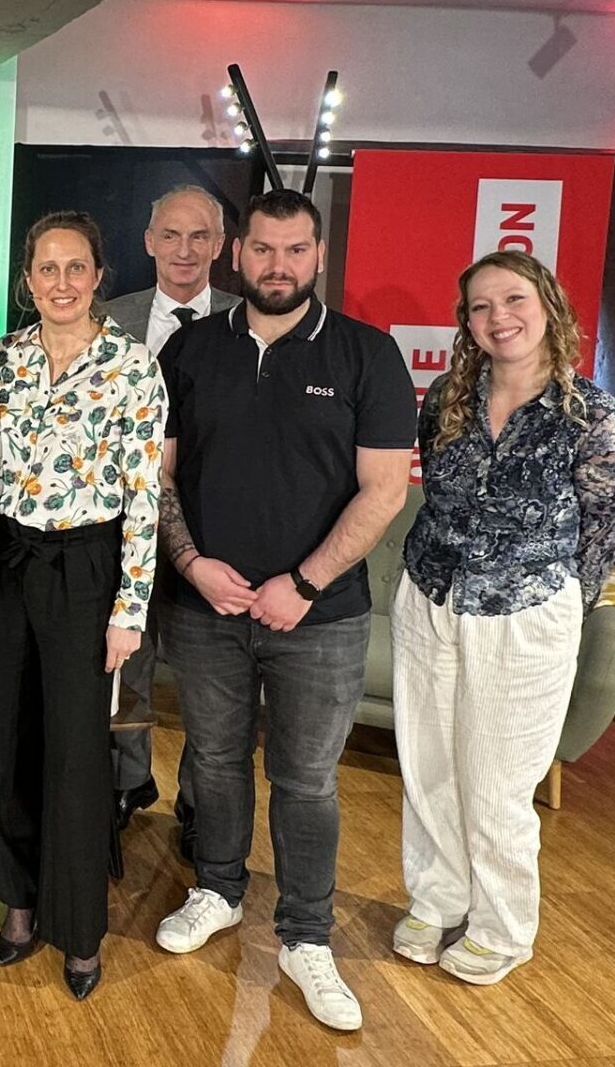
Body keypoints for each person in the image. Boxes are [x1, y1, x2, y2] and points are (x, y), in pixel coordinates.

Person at [152, 188, 413, 1032]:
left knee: (305, 781)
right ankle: (218, 890)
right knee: (214, 761)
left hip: (321, 617)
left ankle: (306, 936)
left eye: (295, 250)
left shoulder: (368, 354)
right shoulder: (191, 349)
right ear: (237, 255)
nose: (277, 265)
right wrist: (192, 564)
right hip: (207, 609)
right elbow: (159, 475)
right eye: (262, 249)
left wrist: (301, 584)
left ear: (319, 256)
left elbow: (383, 491)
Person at [392, 250, 615, 985]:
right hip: (430, 596)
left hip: (525, 614)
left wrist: (559, 613)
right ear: (466, 323)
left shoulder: (596, 418)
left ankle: (501, 926)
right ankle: (436, 899)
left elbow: (599, 536)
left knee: (498, 782)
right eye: (480, 307)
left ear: (548, 307)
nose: (498, 317)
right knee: (428, 767)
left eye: (513, 300)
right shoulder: (446, 400)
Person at [0, 210, 165, 1001]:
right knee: (1, 735)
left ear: (98, 275)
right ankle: (17, 901)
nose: (61, 282)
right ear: (28, 280)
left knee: (76, 752)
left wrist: (130, 608)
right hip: (2, 563)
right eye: (46, 268)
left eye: (75, 266)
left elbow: (145, 494)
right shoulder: (1, 358)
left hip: (85, 569)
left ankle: (78, 928)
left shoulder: (133, 366)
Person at [98, 184, 240, 844]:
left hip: (210, 536)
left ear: (220, 246)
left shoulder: (249, 322)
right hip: (114, 532)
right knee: (124, 667)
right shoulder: (104, 319)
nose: (185, 250)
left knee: (208, 683)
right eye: (171, 235)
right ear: (149, 242)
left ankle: (197, 801)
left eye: (199, 236)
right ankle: (128, 783)